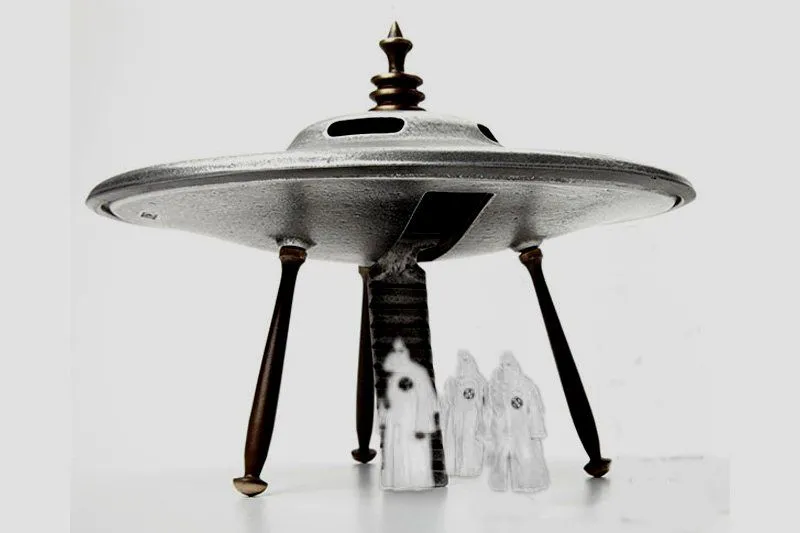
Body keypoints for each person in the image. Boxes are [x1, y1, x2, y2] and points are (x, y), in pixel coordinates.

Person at [377, 337, 440, 490]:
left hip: (413, 423)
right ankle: (398, 483)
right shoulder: (393, 375)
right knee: (397, 455)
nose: (398, 354)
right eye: (395, 350)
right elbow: (389, 398)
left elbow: (427, 401)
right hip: (395, 425)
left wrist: (423, 426)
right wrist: (385, 406)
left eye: (401, 350)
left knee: (415, 455)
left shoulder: (419, 373)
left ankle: (418, 484)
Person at [486, 351, 550, 493]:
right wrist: (490, 430)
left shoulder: (526, 385)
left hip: (522, 429)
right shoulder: (495, 386)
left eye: (508, 364)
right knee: (500, 458)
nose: (505, 368)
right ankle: (500, 484)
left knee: (525, 455)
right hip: (502, 429)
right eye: (502, 365)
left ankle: (529, 483)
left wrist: (536, 430)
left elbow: (534, 408)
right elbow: (489, 409)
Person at [441, 350, 489, 477]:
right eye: (461, 361)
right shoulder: (453, 381)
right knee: (454, 440)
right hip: (456, 415)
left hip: (472, 415)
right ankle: (453, 467)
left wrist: (483, 417)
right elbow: (448, 401)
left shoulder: (480, 381)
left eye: (466, 360)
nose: (463, 364)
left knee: (469, 439)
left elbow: (485, 402)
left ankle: (469, 468)